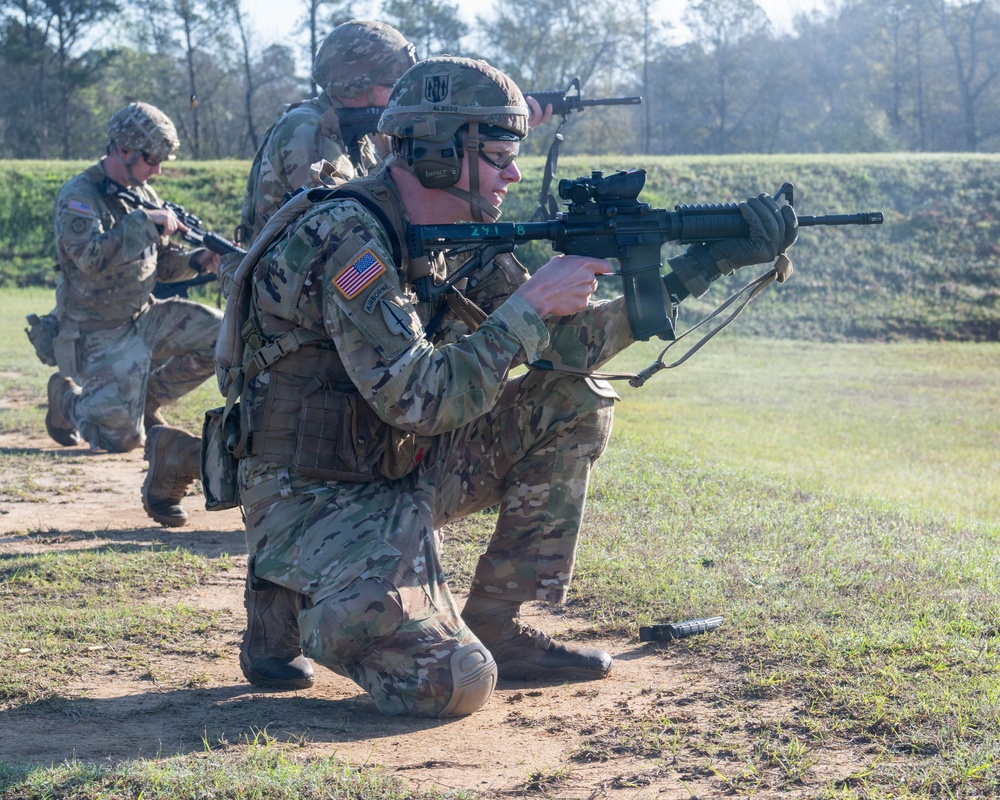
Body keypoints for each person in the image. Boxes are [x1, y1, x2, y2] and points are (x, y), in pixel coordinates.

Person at [221, 55, 796, 717]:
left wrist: (703, 266)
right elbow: (418, 396)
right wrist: (529, 306)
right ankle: (296, 594)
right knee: (455, 683)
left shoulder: (458, 240)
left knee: (571, 401)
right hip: (314, 493)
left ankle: (498, 621)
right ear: (439, 152)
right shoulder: (349, 241)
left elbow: (564, 354)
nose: (514, 173)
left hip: (392, 466)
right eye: (497, 155)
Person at [47, 102, 223, 527]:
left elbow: (159, 265)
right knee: (120, 439)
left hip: (144, 316)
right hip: (97, 331)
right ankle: (69, 402)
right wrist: (146, 222)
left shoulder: (141, 194)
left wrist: (200, 260)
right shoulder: (80, 198)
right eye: (152, 159)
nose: (158, 171)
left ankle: (147, 398)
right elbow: (89, 258)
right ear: (124, 149)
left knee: (224, 336)